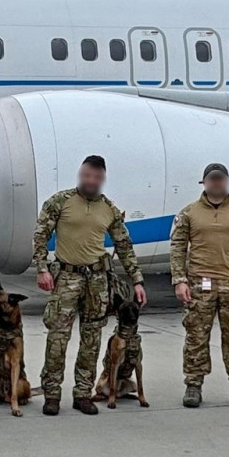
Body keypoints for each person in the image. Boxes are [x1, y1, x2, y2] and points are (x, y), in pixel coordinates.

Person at [32, 155, 146, 416]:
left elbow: (124, 246)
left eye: (96, 177)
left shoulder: (109, 209)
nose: (90, 181)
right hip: (66, 277)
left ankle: (83, 394)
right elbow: (40, 236)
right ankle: (52, 394)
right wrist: (41, 268)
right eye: (86, 175)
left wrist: (137, 280)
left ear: (102, 179)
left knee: (91, 340)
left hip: (97, 281)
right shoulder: (59, 202)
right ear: (80, 175)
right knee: (57, 338)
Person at [169, 163, 229, 409]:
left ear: (227, 181)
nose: (217, 183)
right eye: (212, 179)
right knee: (196, 337)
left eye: (221, 179)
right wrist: (180, 280)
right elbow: (178, 248)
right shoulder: (189, 213)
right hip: (199, 284)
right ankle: (193, 385)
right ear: (204, 183)